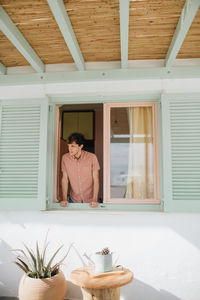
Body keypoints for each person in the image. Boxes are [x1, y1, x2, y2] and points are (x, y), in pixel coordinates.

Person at [60, 133, 100, 208]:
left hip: (91, 200)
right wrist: (64, 199)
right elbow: (64, 179)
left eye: (72, 146)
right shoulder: (65, 158)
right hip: (73, 199)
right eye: (68, 146)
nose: (69, 149)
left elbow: (96, 179)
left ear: (80, 146)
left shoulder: (92, 157)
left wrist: (95, 199)